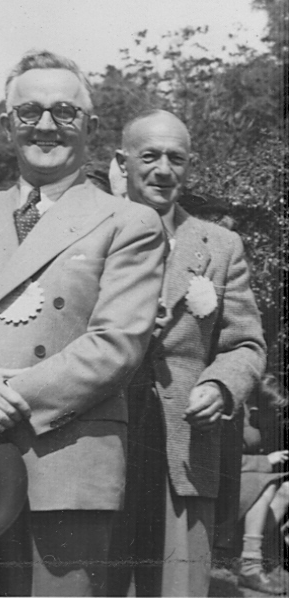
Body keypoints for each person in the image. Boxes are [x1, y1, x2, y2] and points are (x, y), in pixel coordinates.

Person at [0, 50, 165, 597]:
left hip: (62, 464)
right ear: (7, 125)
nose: (46, 125)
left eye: (64, 112)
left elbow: (114, 345)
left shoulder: (130, 221)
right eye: (29, 112)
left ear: (91, 126)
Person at [107, 109, 267, 597]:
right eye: (149, 156)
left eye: (175, 159)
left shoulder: (220, 245)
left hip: (183, 445)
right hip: (99, 438)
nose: (163, 170)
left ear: (188, 166)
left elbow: (245, 343)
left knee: (177, 586)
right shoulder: (89, 231)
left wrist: (221, 385)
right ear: (122, 162)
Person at [237, 374, 288, 594]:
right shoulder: (235, 419)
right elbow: (225, 462)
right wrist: (267, 461)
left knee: (287, 488)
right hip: (224, 489)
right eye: (275, 410)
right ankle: (250, 564)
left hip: (243, 486)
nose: (279, 416)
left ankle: (251, 552)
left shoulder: (260, 422)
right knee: (266, 483)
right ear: (257, 407)